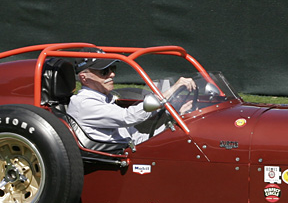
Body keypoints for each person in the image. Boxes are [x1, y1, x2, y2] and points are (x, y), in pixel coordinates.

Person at [67, 57, 196, 146]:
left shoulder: (106, 99)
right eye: (104, 72)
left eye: (113, 69)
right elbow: (128, 117)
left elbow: (139, 139)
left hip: (129, 153)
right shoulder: (84, 104)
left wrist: (174, 121)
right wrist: (171, 90)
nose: (112, 75)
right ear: (84, 78)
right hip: (115, 161)